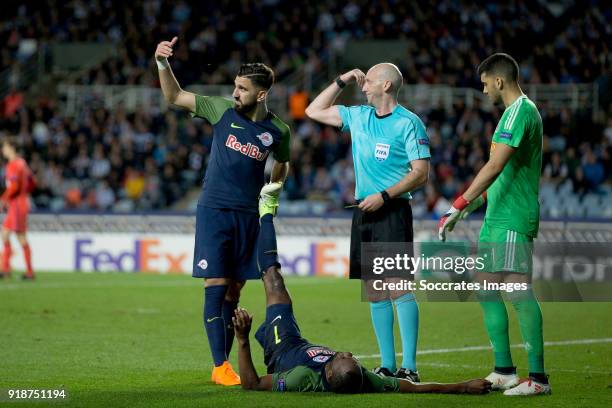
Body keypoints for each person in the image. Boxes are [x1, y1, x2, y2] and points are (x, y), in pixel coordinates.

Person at [231, 196, 491, 395]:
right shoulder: (363, 379)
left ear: (329, 375)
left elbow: (252, 384)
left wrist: (242, 340)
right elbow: (413, 389)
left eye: (343, 358)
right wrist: (462, 386)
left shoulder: (301, 377)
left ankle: (264, 215)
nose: (348, 353)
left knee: (274, 280)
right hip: (302, 342)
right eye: (352, 359)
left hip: (284, 346)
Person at [154, 37, 291, 386]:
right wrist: (162, 63)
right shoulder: (220, 110)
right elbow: (174, 97)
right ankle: (219, 365)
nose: (235, 92)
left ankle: (226, 364)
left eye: (242, 88)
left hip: (248, 216)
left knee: (234, 290)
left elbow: (283, 164)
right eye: (235, 86)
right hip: (214, 211)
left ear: (261, 94)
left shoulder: (277, 131)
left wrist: (272, 190)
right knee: (215, 284)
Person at [305, 63, 430, 381]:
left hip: (392, 211)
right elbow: (313, 110)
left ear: (386, 85)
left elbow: (420, 173)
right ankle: (388, 365)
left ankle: (410, 367)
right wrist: (342, 79)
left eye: (369, 80)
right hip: (364, 212)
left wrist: (385, 196)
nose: (363, 85)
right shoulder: (358, 116)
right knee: (374, 290)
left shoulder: (409, 123)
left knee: (398, 288)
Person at [438, 53, 550, 396]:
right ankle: (504, 370)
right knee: (486, 288)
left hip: (514, 218)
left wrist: (458, 202)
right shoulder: (509, 115)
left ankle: (539, 379)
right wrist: (466, 210)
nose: (484, 90)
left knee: (517, 291)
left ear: (499, 81)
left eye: (485, 83)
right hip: (495, 217)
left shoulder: (520, 112)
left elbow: (494, 167)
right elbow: (498, 179)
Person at [1, 139, 35, 280]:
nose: (3, 150)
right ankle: (6, 269)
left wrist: (3, 199)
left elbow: (14, 186)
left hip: (16, 205)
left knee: (20, 237)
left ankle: (29, 272)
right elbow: (32, 182)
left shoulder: (13, 165)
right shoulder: (23, 164)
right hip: (20, 203)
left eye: (5, 147)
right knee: (5, 234)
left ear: (12, 149)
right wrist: (25, 194)